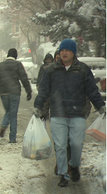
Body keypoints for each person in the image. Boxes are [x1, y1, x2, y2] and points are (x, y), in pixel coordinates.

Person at [33, 39, 106, 187]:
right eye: (62, 50)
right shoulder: (52, 70)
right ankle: (63, 174)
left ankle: (73, 164)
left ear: (74, 52)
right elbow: (44, 91)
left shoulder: (82, 69)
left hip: (77, 114)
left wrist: (100, 106)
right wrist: (37, 106)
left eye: (67, 50)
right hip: (57, 114)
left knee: (76, 144)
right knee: (60, 145)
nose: (64, 53)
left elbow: (92, 90)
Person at [0, 48, 32, 143]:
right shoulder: (18, 65)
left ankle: (4, 125)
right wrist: (28, 91)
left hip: (3, 92)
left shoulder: (0, 66)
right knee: (13, 115)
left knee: (8, 111)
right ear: (16, 56)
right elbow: (24, 78)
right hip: (14, 92)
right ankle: (12, 138)